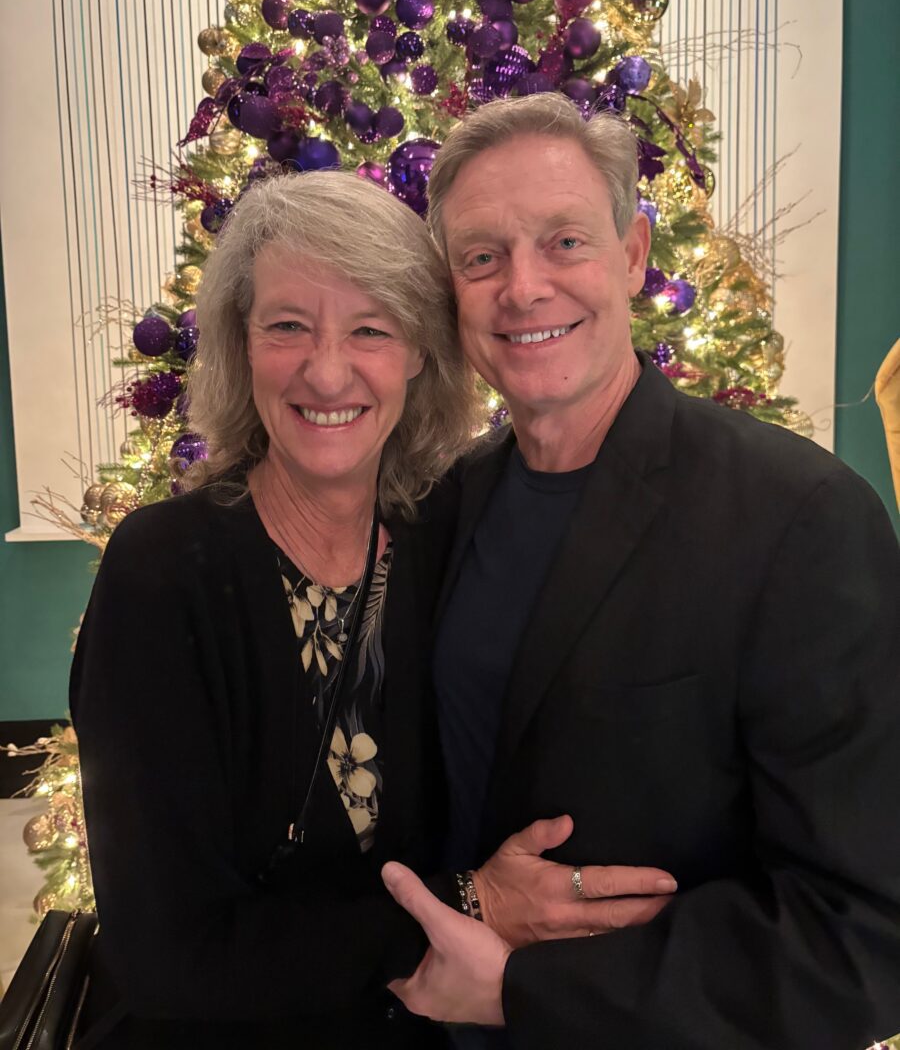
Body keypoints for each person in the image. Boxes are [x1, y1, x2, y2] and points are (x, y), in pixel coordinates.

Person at [70, 169, 677, 1050]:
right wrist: (472, 904)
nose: (327, 370)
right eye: (287, 326)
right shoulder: (165, 572)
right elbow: (169, 956)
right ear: (242, 347)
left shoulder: (442, 543)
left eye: (371, 329)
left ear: (420, 352)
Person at [382, 93, 900, 1050]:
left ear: (632, 254)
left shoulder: (800, 519)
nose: (523, 288)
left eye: (565, 242)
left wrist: (530, 990)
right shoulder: (439, 508)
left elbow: (864, 933)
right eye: (481, 257)